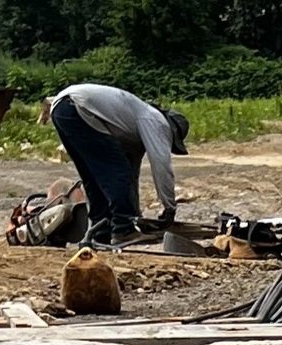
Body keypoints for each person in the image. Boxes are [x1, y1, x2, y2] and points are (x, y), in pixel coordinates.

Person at [40, 84, 187, 245]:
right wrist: (169, 208)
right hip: (79, 108)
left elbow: (132, 174)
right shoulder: (157, 121)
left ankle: (101, 230)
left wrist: (135, 214)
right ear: (172, 131)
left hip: (63, 109)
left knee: (94, 177)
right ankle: (123, 231)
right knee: (116, 172)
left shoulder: (131, 124)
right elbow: (161, 166)